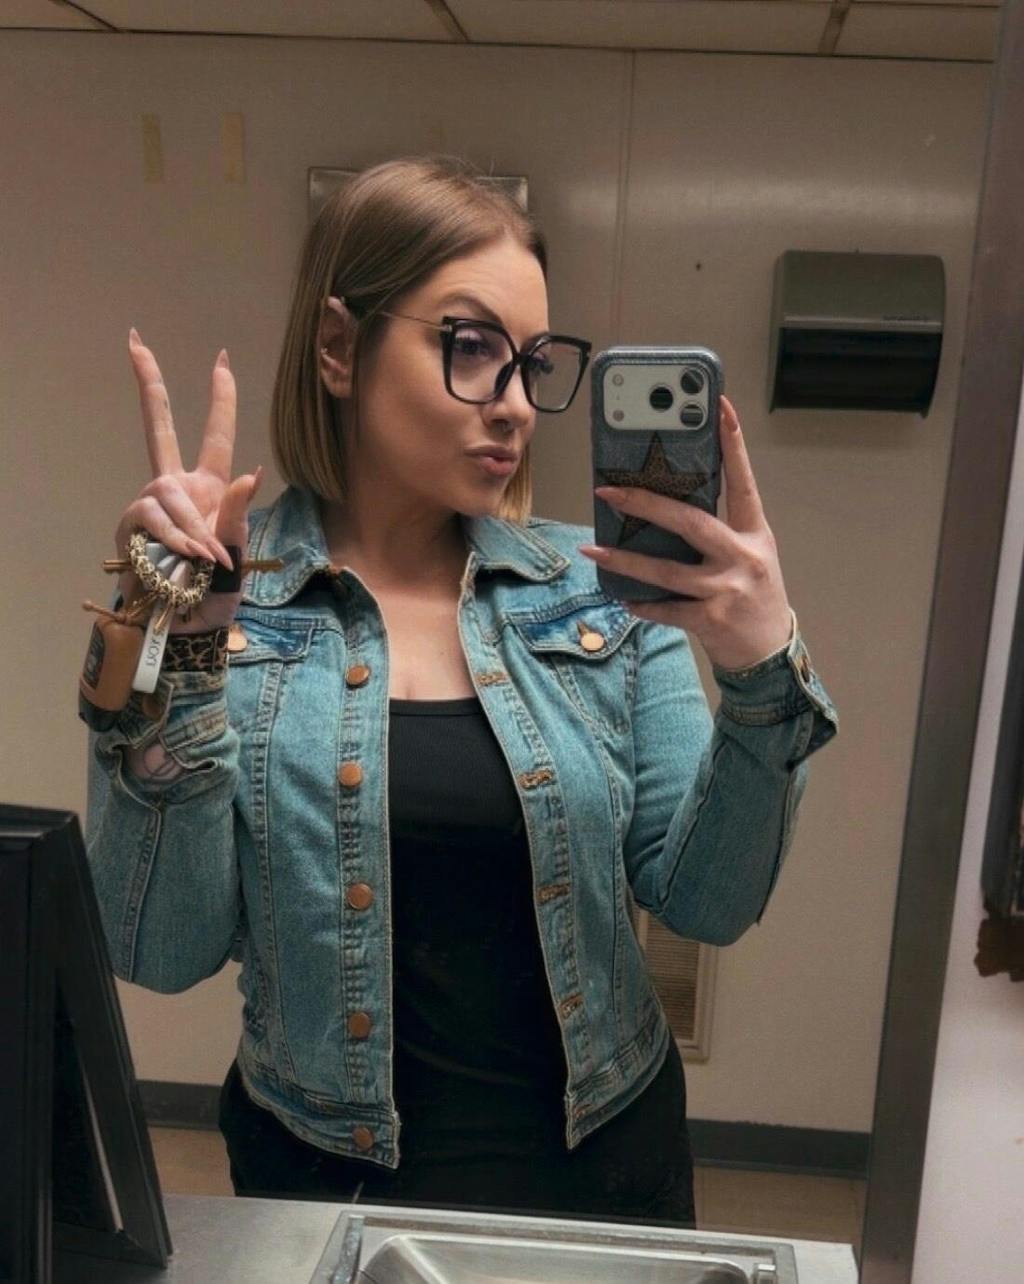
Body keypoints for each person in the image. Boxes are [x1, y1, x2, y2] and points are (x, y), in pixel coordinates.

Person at [85, 155, 838, 1226]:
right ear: (339, 347)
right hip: (327, 1186)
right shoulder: (228, 606)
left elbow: (706, 900)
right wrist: (184, 644)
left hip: (606, 1176)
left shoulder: (603, 597)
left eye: (533, 364)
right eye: (472, 347)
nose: (517, 406)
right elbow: (161, 950)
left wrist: (762, 676)